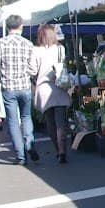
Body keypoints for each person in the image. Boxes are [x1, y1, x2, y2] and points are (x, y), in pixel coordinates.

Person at [0, 15, 38, 166]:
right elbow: (33, 69)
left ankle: (21, 155)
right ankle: (29, 140)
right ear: (21, 26)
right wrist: (26, 73)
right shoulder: (28, 44)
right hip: (25, 86)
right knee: (27, 116)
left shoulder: (0, 43)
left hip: (8, 87)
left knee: (13, 121)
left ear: (7, 27)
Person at [29, 24, 71, 164]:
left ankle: (57, 150)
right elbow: (63, 65)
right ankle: (63, 151)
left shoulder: (36, 51)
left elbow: (32, 71)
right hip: (59, 86)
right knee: (61, 123)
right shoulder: (60, 49)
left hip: (44, 89)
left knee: (50, 122)